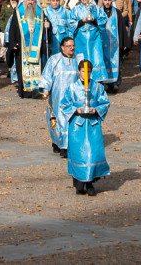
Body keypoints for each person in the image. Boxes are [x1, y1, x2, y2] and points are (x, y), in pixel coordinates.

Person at [59, 59, 111, 196]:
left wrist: (96, 110)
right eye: (83, 71)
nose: (85, 74)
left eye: (88, 72)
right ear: (79, 71)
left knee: (92, 154)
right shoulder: (72, 88)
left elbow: (105, 102)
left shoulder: (97, 87)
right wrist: (76, 110)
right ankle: (79, 184)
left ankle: (90, 183)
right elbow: (64, 105)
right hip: (77, 126)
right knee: (79, 155)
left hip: (93, 126)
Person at [38, 37, 84, 158]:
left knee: (71, 120)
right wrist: (45, 90)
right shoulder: (54, 60)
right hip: (57, 97)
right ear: (62, 47)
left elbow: (84, 76)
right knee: (58, 120)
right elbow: (47, 76)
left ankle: (65, 146)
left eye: (73, 45)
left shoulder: (79, 59)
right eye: (69, 46)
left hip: (73, 97)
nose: (72, 48)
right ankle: (57, 143)